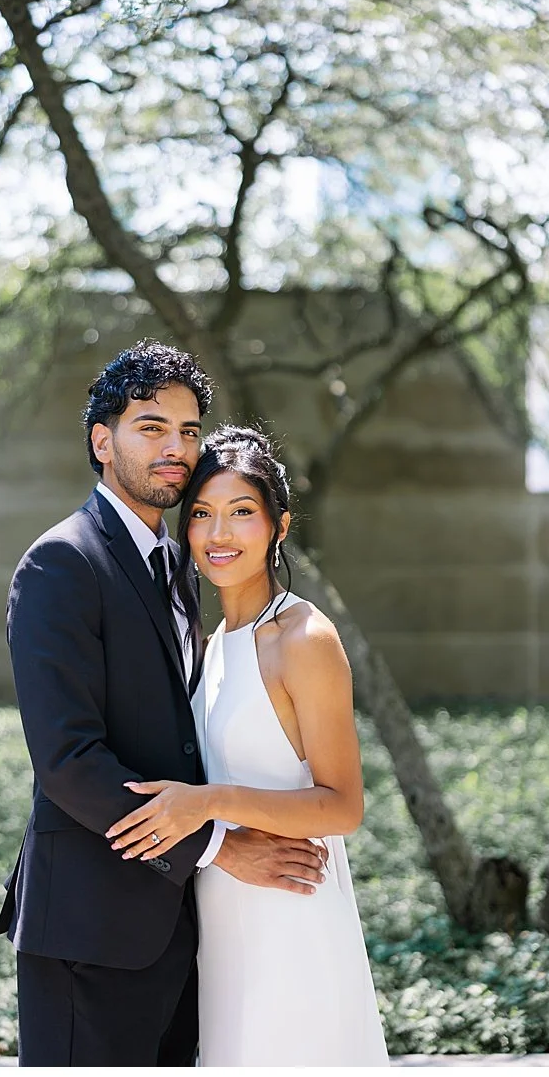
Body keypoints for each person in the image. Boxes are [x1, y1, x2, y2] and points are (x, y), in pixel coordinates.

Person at [0, 340, 330, 1066]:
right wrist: (217, 844)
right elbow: (69, 761)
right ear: (102, 441)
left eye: (186, 430)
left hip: (183, 929)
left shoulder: (177, 563)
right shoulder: (62, 563)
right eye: (151, 427)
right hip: (92, 926)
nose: (175, 448)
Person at [105, 425, 390, 1064]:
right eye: (202, 515)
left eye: (242, 513)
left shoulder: (303, 638)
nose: (219, 535)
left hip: (292, 916)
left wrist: (207, 802)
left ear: (279, 527)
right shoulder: (209, 646)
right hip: (222, 920)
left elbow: (342, 807)